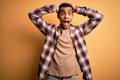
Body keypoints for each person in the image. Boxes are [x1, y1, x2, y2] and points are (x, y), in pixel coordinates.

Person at [28, 2, 103, 80]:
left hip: (72, 77)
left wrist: (78, 9)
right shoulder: (51, 31)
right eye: (62, 13)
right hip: (52, 77)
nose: (66, 16)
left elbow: (98, 17)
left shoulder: (79, 31)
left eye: (69, 13)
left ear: (72, 16)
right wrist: (52, 8)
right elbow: (33, 15)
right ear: (58, 16)